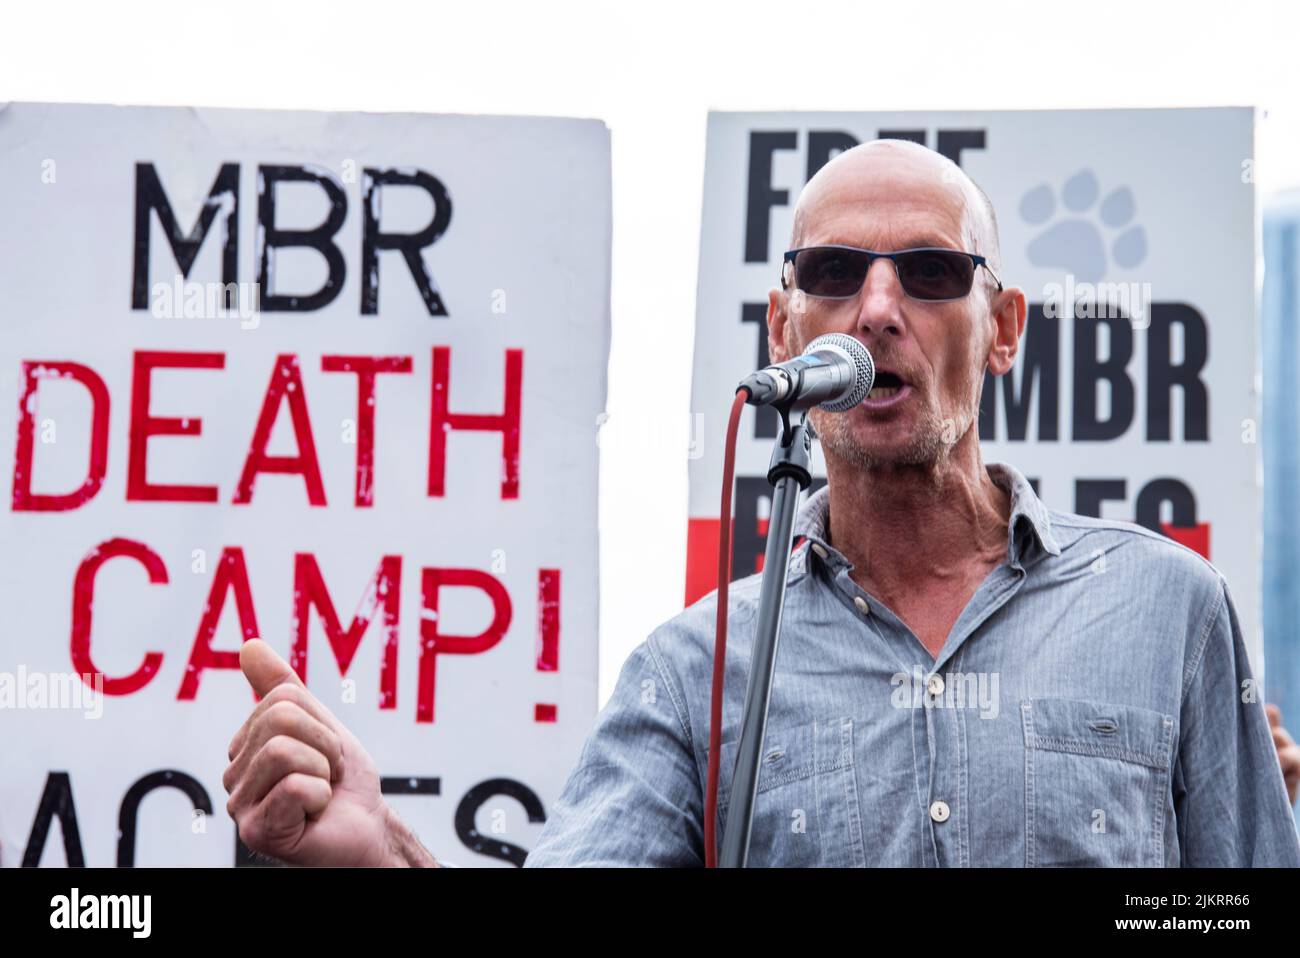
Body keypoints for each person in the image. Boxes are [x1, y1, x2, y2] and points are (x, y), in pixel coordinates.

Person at [224, 139, 1300, 867]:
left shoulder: (1165, 607)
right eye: (833, 271)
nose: (876, 308)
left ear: (1005, 326)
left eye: (928, 272)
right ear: (784, 333)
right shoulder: (698, 670)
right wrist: (382, 851)